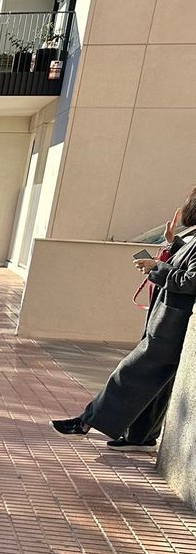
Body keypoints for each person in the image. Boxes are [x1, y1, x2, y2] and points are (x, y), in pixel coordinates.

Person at [52, 189, 196, 450]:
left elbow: (191, 281)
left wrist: (157, 268)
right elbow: (185, 267)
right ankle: (141, 437)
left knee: (129, 373)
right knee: (156, 383)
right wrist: (172, 243)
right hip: (167, 323)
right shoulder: (193, 239)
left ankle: (86, 422)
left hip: (172, 327)